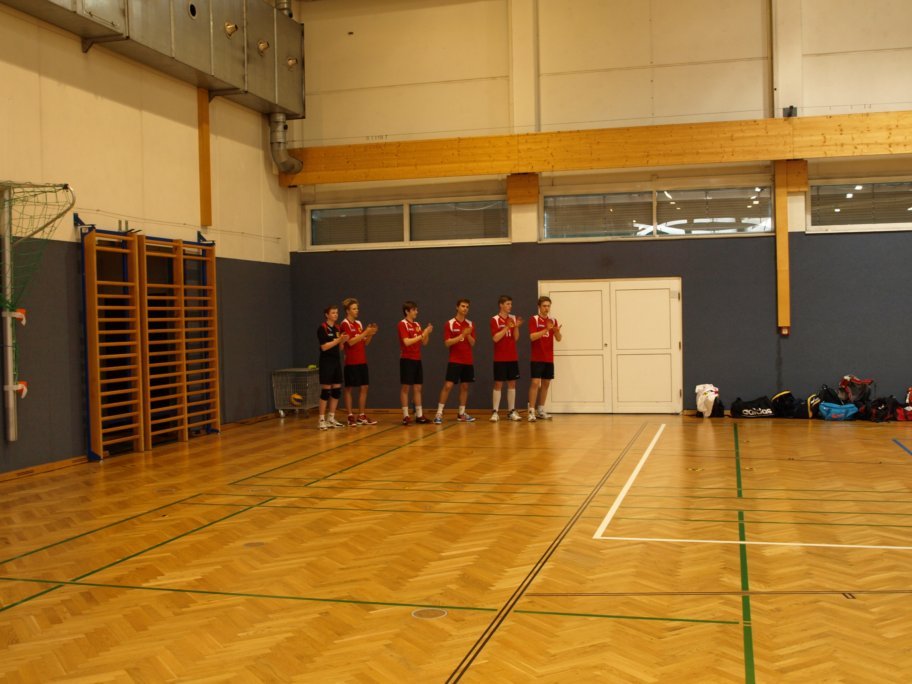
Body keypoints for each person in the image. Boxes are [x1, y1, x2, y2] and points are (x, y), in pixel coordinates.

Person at [434, 298, 476, 423]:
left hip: (467, 360)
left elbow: (473, 343)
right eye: (463, 306)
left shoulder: (470, 324)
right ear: (457, 307)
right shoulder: (450, 323)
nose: (465, 309)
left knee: (465, 386)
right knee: (448, 386)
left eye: (467, 307)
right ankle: (439, 413)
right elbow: (447, 343)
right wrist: (461, 335)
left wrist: (468, 334)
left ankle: (461, 413)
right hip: (455, 360)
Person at [340, 297, 379, 426]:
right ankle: (350, 415)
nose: (357, 310)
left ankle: (361, 414)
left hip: (362, 360)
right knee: (349, 388)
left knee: (364, 387)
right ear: (347, 311)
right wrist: (365, 333)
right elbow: (350, 342)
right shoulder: (344, 324)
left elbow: (364, 342)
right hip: (351, 361)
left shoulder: (359, 324)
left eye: (357, 308)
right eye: (354, 308)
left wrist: (370, 334)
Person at [398, 300, 433, 425]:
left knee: (418, 387)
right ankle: (406, 415)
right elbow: (407, 342)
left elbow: (424, 342)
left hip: (417, 359)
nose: (416, 312)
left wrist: (426, 333)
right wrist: (423, 334)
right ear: (407, 311)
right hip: (407, 359)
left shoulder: (417, 324)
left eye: (416, 310)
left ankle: (419, 415)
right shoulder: (402, 324)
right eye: (414, 310)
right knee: (405, 387)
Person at [490, 295, 524, 422]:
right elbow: (495, 338)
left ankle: (511, 411)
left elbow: (516, 338)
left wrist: (516, 327)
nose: (510, 306)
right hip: (500, 357)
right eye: (508, 304)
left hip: (512, 356)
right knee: (498, 383)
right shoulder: (494, 319)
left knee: (512, 383)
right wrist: (507, 327)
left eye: (511, 304)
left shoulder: (513, 318)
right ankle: (495, 412)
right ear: (501, 305)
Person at [528, 295, 562, 421]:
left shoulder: (553, 320)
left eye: (548, 306)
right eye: (544, 306)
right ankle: (531, 411)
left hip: (548, 357)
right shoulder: (534, 319)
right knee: (535, 383)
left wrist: (556, 331)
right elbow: (532, 337)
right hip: (537, 357)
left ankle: (541, 409)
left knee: (546, 383)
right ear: (539, 306)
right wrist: (546, 329)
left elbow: (558, 339)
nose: (546, 308)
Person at [317, 305, 349, 430]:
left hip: (336, 361)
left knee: (336, 390)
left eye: (337, 312)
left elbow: (340, 348)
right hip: (326, 362)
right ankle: (321, 419)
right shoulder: (322, 328)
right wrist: (338, 340)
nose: (336, 315)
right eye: (333, 313)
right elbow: (324, 347)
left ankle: (331, 417)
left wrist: (343, 341)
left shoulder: (337, 328)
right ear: (327, 315)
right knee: (326, 391)